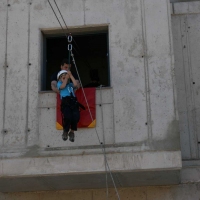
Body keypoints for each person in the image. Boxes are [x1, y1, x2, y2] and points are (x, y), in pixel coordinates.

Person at [57, 70, 80, 142]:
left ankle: (72, 132)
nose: (65, 77)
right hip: (66, 102)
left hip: (73, 101)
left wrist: (71, 76)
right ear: (60, 79)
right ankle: (66, 131)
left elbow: (76, 85)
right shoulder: (59, 84)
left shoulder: (70, 85)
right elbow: (63, 86)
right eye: (63, 77)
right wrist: (66, 78)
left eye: (65, 76)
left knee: (76, 116)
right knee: (67, 116)